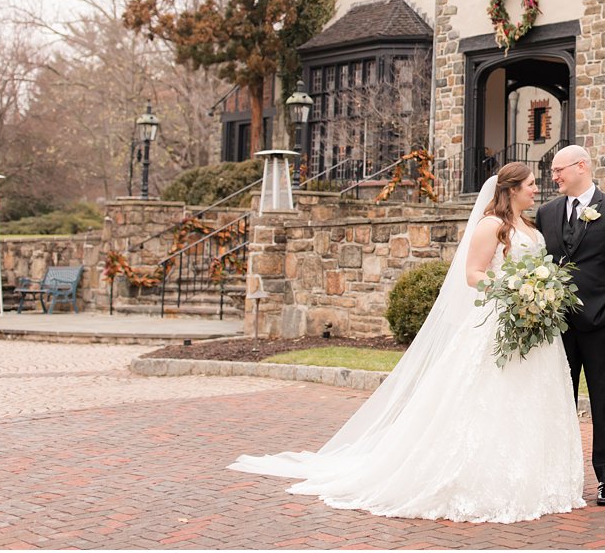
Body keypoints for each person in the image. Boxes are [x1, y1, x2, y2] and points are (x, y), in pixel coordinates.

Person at [228, 163, 585, 523]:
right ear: (510, 189)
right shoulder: (491, 226)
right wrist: (510, 290)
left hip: (534, 329)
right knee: (489, 398)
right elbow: (473, 273)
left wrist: (541, 294)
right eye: (529, 185)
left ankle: (531, 475)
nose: (535, 190)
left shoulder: (531, 228)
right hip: (499, 321)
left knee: (530, 398)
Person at [538, 144, 605, 506]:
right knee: (555, 403)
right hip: (557, 330)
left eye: (558, 170)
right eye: (553, 171)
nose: (554, 177)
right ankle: (556, 476)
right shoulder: (546, 213)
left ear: (581, 166)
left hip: (602, 326)